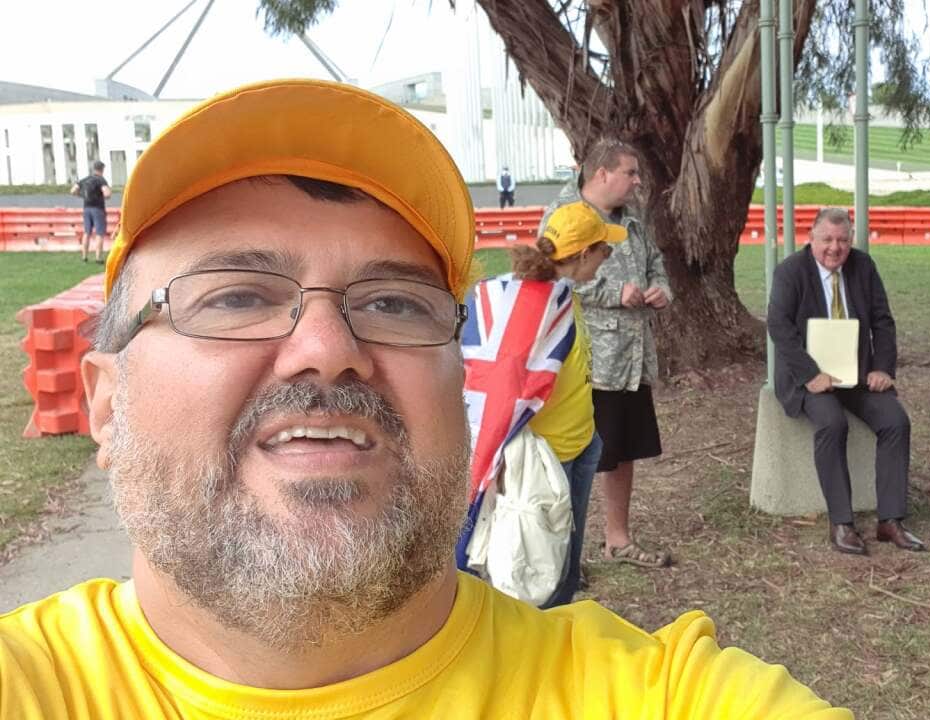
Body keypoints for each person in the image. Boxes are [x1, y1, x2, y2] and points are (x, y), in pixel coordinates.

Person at [0, 79, 851, 719]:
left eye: (392, 304)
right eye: (235, 297)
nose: (329, 350)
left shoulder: (651, 695)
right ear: (106, 404)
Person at [462, 201, 625, 608]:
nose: (608, 258)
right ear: (585, 254)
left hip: (580, 443)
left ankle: (560, 624)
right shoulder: (536, 304)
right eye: (605, 250)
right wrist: (493, 459)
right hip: (543, 461)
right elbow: (503, 389)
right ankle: (544, 638)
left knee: (564, 558)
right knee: (541, 566)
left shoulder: (562, 297)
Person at [542, 139, 673, 569]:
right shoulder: (562, 215)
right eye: (630, 173)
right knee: (576, 455)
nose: (637, 182)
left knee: (622, 450)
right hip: (589, 360)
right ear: (601, 174)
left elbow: (655, 263)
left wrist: (659, 290)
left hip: (630, 357)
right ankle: (564, 553)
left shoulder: (631, 219)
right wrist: (617, 292)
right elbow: (553, 279)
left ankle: (617, 540)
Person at [767, 208, 924, 556]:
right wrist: (811, 374)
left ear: (850, 241)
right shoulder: (791, 272)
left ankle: (890, 520)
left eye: (842, 240)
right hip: (807, 376)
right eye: (827, 239)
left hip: (856, 374)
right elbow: (779, 328)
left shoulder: (863, 267)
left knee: (896, 422)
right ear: (812, 238)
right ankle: (842, 523)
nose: (834, 248)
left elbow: (883, 321)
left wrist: (882, 367)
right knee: (832, 423)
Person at [69, 160, 111, 262]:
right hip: (98, 209)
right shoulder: (101, 180)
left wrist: (81, 195)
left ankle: (84, 256)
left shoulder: (86, 179)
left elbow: (72, 191)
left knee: (87, 232)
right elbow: (107, 194)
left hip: (87, 208)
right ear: (102, 169)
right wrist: (104, 196)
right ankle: (98, 257)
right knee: (99, 233)